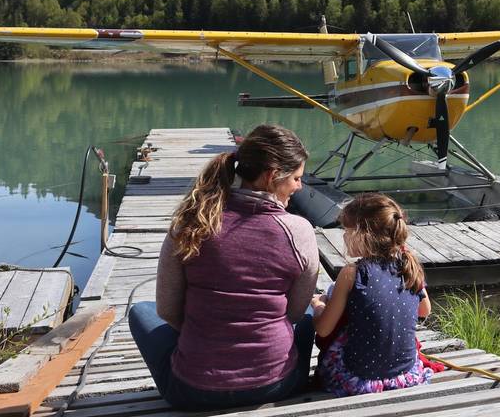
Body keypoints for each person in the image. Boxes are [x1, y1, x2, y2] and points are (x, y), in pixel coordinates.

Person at [128, 124, 318, 410]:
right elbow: (292, 313)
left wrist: (206, 332)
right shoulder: (299, 231)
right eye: (295, 178)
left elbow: (167, 310)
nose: (299, 187)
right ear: (270, 177)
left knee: (141, 311)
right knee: (307, 311)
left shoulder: (190, 223)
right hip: (277, 385)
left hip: (191, 391)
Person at [310, 193, 433, 396]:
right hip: (406, 376)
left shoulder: (352, 273)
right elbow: (424, 310)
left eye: (346, 230)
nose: (343, 236)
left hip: (357, 381)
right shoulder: (409, 265)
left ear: (362, 233)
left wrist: (318, 305)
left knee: (313, 316)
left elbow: (323, 330)